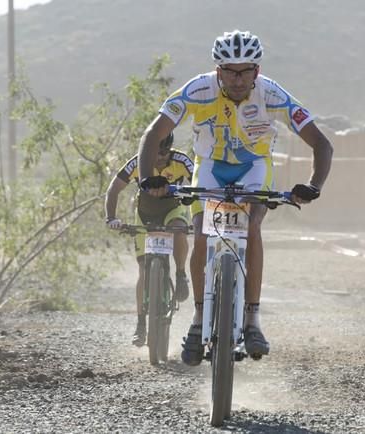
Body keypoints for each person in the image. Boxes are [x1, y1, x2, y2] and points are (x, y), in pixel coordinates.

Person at [137, 30, 333, 365]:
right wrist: (147, 179)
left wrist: (313, 185)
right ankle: (199, 321)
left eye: (245, 71)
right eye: (230, 71)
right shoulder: (197, 90)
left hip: (254, 166)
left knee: (252, 229)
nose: (238, 79)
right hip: (211, 166)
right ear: (218, 71)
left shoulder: (272, 94)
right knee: (201, 233)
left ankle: (252, 319)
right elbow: (154, 133)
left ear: (257, 71)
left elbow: (321, 143)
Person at [105, 132, 194, 346]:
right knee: (144, 269)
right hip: (145, 215)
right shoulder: (137, 162)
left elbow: (201, 182)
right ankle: (141, 324)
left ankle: (181, 273)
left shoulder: (182, 161)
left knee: (180, 229)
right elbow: (113, 189)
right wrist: (111, 217)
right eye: (156, 152)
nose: (160, 157)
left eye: (165, 152)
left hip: (174, 210)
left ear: (170, 148)